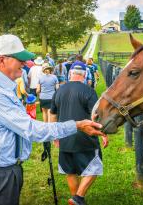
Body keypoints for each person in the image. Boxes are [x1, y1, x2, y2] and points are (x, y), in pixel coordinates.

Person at [0, 34, 105, 205]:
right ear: (1, 61)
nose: (25, 64)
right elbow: (31, 129)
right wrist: (77, 125)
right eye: (20, 59)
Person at [50, 61, 108, 205]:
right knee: (94, 167)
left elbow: (52, 114)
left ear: (70, 74)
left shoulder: (59, 91)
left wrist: (54, 135)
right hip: (85, 137)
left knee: (70, 170)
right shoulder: (89, 91)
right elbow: (96, 116)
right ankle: (78, 198)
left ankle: (75, 198)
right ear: (84, 75)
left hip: (64, 136)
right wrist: (103, 133)